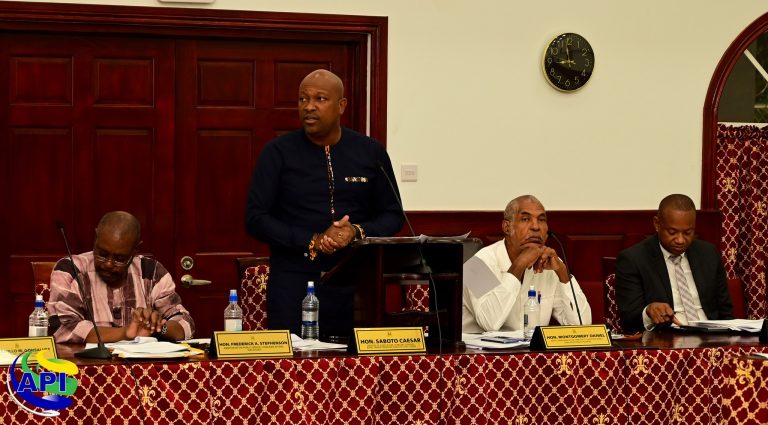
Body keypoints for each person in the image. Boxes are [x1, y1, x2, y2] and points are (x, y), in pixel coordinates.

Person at [245, 69, 403, 337]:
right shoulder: (278, 152)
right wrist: (313, 240)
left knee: (354, 361)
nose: (309, 106)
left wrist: (355, 231)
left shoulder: (370, 151)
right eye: (303, 99)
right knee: (293, 361)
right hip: (293, 282)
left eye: (320, 98)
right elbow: (255, 218)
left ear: (341, 105)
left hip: (356, 286)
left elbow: (393, 216)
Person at [48, 211, 195, 343]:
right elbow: (61, 327)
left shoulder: (152, 272)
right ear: (96, 238)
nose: (108, 264)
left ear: (135, 250)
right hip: (85, 363)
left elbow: (185, 323)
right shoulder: (71, 269)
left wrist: (157, 327)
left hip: (142, 362)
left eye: (119, 258)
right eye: (102, 254)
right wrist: (125, 333)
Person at [462, 195, 591, 333]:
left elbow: (582, 326)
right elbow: (489, 322)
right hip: (478, 347)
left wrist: (563, 273)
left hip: (530, 346)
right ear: (507, 227)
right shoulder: (477, 265)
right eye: (525, 219)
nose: (535, 227)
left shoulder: (549, 264)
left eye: (541, 220)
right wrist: (519, 265)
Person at [615, 194, 733, 332]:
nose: (680, 240)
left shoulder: (709, 254)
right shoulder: (634, 259)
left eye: (688, 233)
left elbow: (726, 311)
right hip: (667, 338)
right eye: (672, 232)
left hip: (712, 336)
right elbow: (629, 319)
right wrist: (648, 312)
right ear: (657, 224)